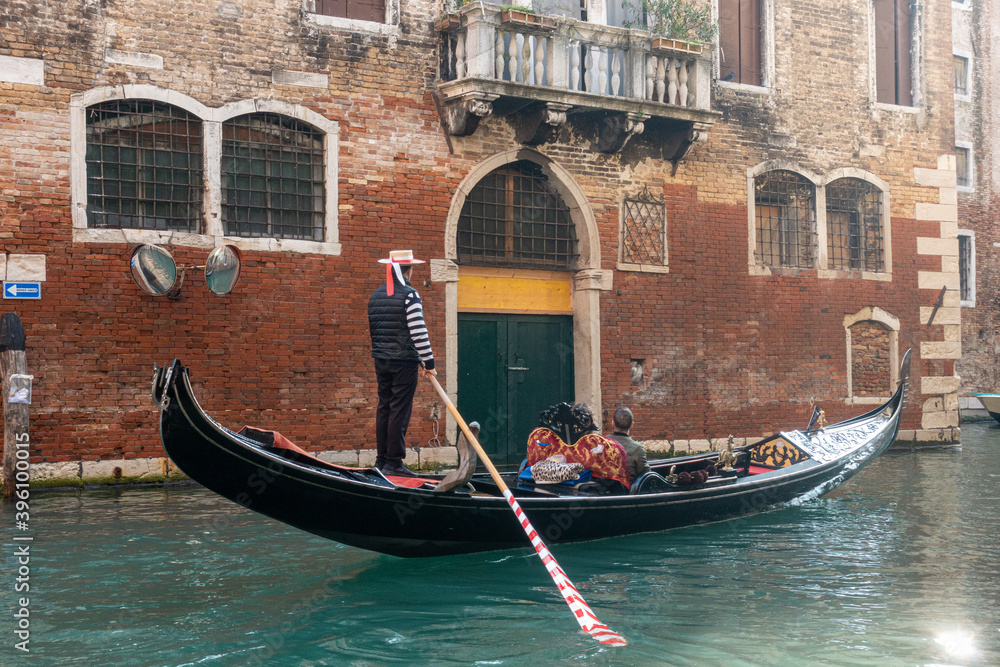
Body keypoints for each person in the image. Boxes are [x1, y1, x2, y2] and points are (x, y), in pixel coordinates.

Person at [368, 250, 436, 477]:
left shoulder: (375, 296)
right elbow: (418, 331)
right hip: (403, 362)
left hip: (381, 361)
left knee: (384, 407)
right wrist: (429, 362)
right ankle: (394, 463)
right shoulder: (410, 295)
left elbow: (376, 331)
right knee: (399, 410)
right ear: (410, 270)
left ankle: (381, 460)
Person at [607, 407, 650, 484]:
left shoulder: (602, 441)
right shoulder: (637, 449)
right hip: (625, 491)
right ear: (632, 425)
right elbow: (645, 474)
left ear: (613, 423)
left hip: (601, 487)